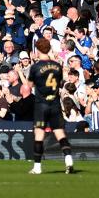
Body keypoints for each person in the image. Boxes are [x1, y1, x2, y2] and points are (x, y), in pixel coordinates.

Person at [27, 37, 73, 176]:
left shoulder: (35, 67)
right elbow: (59, 84)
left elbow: (28, 87)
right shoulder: (57, 66)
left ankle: (37, 167)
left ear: (38, 49)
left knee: (39, 135)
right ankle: (68, 159)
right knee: (60, 133)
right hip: (55, 103)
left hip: (41, 104)